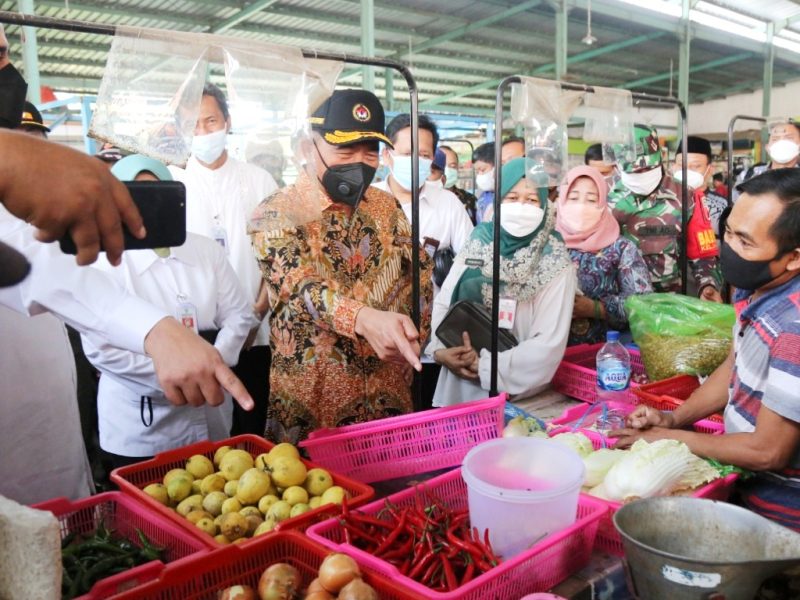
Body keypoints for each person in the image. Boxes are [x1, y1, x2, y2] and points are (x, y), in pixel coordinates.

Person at [612, 168, 800, 532]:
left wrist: (668, 437)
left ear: (793, 257)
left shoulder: (794, 325)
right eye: (728, 232)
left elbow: (767, 451)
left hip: (779, 521)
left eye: (745, 242)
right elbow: (736, 364)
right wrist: (673, 418)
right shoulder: (757, 286)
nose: (729, 249)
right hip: (742, 488)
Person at [249, 89, 433, 443]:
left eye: (370, 152)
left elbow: (418, 276)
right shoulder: (276, 212)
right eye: (345, 150)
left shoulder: (386, 207)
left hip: (388, 391)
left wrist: (414, 340)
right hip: (315, 400)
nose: (360, 162)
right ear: (308, 148)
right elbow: (300, 288)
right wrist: (363, 319)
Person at [82, 155, 257, 468]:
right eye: (135, 195)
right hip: (141, 426)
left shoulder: (206, 250)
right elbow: (101, 350)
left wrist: (212, 365)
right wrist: (178, 376)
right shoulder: (102, 260)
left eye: (159, 193)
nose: (147, 206)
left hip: (212, 413)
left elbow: (240, 315)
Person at [169, 83, 277, 437]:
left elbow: (278, 259)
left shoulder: (259, 181)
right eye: (193, 125)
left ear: (227, 122)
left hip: (257, 333)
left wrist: (253, 317)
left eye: (210, 121)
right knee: (208, 431)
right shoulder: (174, 184)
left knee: (252, 423)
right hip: (197, 334)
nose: (202, 132)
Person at [427, 157, 577, 406]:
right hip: (458, 386)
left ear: (544, 205)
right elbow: (445, 300)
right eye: (511, 197)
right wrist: (440, 350)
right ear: (498, 200)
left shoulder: (555, 261)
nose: (521, 206)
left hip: (518, 398)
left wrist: (483, 365)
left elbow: (548, 343)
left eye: (531, 200)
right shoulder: (479, 241)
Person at [610, 124, 722, 300]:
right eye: (633, 171)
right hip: (617, 305)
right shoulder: (602, 194)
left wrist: (707, 284)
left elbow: (704, 254)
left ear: (661, 157)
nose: (640, 175)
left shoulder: (687, 197)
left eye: (646, 169)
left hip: (668, 305)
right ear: (618, 166)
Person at [555, 166, 652, 346]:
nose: (581, 206)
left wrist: (596, 309)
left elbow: (643, 304)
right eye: (573, 198)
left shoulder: (622, 248)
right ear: (561, 201)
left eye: (591, 199)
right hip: (549, 358)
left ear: (602, 204)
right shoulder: (547, 244)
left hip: (607, 357)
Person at [373, 113, 473, 282]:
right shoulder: (368, 199)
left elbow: (471, 260)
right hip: (376, 307)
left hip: (435, 307)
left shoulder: (448, 204)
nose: (415, 161)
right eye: (407, 154)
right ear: (386, 155)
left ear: (433, 159)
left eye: (424, 155)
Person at [673, 136, 728, 240]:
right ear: (673, 167)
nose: (686, 171)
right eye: (681, 165)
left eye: (695, 166)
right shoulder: (659, 202)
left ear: (710, 169)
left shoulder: (723, 206)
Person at [440, 144, 478, 224]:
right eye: (442, 165)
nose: (447, 170)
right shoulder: (420, 199)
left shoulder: (469, 199)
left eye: (452, 166)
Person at [473, 141, 496, 224]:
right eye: (477, 171)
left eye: (482, 170)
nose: (480, 175)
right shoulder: (483, 197)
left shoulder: (508, 197)